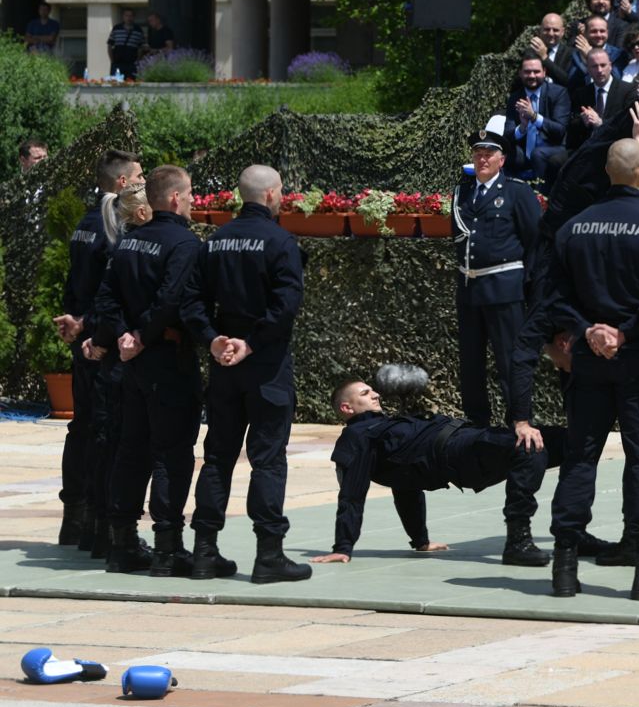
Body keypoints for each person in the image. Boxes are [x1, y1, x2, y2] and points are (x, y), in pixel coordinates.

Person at [543, 138, 639, 600]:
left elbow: (552, 294)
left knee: (581, 458)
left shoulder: (573, 228)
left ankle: (564, 566)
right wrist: (624, 333)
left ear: (609, 173)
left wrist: (588, 330)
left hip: (588, 362)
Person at [178, 164, 310, 584]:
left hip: (223, 367)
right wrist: (251, 343)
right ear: (272, 196)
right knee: (267, 460)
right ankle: (268, 555)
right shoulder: (280, 241)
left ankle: (204, 551)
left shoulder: (214, 241)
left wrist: (214, 339)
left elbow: (192, 300)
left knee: (217, 456)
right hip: (266, 366)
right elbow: (285, 306)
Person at [312, 372, 564, 565]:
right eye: (366, 393)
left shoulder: (386, 429)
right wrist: (342, 547)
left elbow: (405, 485)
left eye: (373, 390)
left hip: (472, 438)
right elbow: (352, 494)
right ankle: (518, 541)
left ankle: (573, 532)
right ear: (347, 408)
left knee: (571, 442)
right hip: (459, 451)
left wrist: (420, 541)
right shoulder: (357, 437)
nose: (376, 394)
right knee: (528, 448)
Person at [89, 166, 204, 576]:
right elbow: (172, 298)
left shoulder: (130, 243)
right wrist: (139, 335)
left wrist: (122, 335)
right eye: (189, 194)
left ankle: (122, 544)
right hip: (164, 360)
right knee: (171, 454)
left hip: (130, 364)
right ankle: (167, 548)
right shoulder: (185, 244)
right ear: (174, 198)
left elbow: (106, 298)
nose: (193, 200)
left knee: (131, 449)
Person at [52, 149, 143, 558]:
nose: (142, 183)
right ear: (123, 183)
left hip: (83, 337)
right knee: (106, 432)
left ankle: (77, 519)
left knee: (83, 429)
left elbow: (76, 285)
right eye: (139, 177)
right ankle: (101, 524)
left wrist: (74, 321)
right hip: (100, 343)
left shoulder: (85, 224)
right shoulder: (111, 228)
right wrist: (89, 327)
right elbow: (110, 293)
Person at [453, 119, 541, 429]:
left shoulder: (516, 192)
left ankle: (519, 419)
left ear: (501, 159)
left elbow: (535, 242)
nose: (482, 159)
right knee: (471, 363)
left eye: (489, 153)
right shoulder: (462, 193)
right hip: (469, 288)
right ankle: (477, 422)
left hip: (504, 287)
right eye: (478, 153)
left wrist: (529, 286)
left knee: (509, 361)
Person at [106, 8, 146, 79]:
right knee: (115, 82)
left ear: (133, 17)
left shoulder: (138, 30)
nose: (128, 18)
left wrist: (137, 60)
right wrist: (112, 61)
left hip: (131, 63)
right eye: (126, 15)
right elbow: (110, 45)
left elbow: (141, 47)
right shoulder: (117, 28)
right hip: (117, 62)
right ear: (123, 17)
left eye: (130, 16)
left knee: (131, 82)